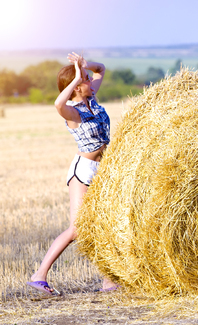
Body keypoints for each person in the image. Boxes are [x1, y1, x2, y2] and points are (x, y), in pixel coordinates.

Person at [27, 53, 117, 295]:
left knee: (104, 225)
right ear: (76, 87)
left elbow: (102, 70)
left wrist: (86, 66)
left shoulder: (92, 99)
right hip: (83, 172)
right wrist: (77, 75)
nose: (91, 81)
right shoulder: (72, 112)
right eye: (85, 80)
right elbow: (58, 105)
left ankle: (108, 281)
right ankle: (39, 275)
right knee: (77, 228)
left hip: (103, 170)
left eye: (86, 78)